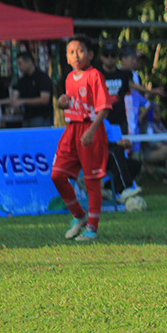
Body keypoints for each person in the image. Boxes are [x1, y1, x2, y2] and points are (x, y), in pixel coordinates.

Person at [51, 35, 110, 241]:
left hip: (90, 129)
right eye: (71, 52)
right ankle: (79, 216)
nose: (76, 55)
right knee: (57, 175)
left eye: (80, 50)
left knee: (92, 181)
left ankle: (92, 228)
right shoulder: (68, 78)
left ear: (90, 54)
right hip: (72, 130)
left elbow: (104, 108)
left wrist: (92, 130)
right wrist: (61, 103)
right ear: (67, 57)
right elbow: (71, 103)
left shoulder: (95, 76)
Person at [10, 52, 54, 127]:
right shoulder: (22, 81)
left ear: (29, 62)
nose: (19, 67)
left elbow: (44, 100)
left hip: (41, 117)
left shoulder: (42, 78)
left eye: (20, 64)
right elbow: (15, 94)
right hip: (26, 118)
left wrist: (22, 101)